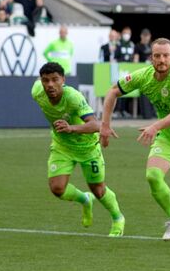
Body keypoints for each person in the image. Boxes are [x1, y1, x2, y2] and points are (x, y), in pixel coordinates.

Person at [100, 38, 170, 241]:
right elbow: (112, 91)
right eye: (156, 56)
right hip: (168, 137)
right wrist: (105, 125)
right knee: (153, 176)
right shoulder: (144, 76)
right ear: (151, 57)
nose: (161, 60)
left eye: (165, 56)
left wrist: (155, 126)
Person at [32, 62, 126, 237]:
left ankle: (117, 218)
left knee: (98, 189)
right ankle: (84, 199)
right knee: (57, 188)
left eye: (55, 80)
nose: (50, 85)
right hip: (63, 146)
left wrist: (71, 128)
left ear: (63, 80)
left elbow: (95, 124)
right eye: (46, 80)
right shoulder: (37, 92)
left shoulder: (73, 97)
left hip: (87, 148)